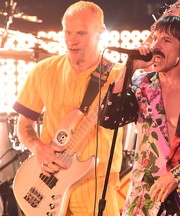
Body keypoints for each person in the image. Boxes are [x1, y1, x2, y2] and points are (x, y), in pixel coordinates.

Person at [99, 15, 180, 215]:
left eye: (166, 40)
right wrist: (130, 67)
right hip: (146, 196)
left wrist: (177, 177)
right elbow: (108, 118)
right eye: (154, 39)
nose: (155, 46)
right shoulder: (141, 85)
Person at [12, 1, 123, 216]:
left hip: (96, 188)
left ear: (100, 33)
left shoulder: (118, 76)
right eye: (67, 32)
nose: (71, 40)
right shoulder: (43, 70)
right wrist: (38, 148)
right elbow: (24, 124)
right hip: (48, 184)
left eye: (81, 33)